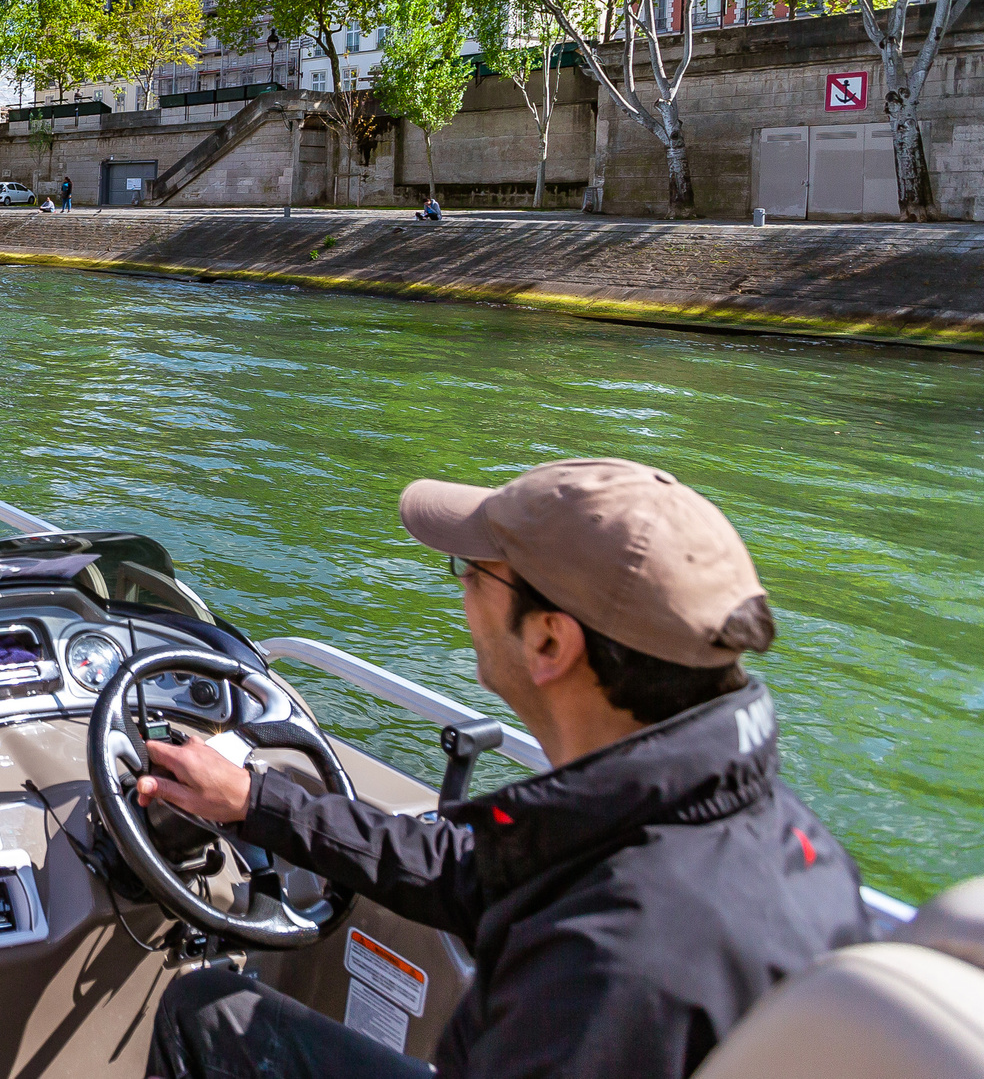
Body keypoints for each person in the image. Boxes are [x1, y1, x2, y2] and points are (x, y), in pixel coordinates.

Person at [138, 458, 866, 1079]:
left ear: (550, 641)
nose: (460, 592)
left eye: (473, 571)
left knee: (202, 1012)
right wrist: (257, 800)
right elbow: (468, 866)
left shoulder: (608, 967)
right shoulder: (768, 833)